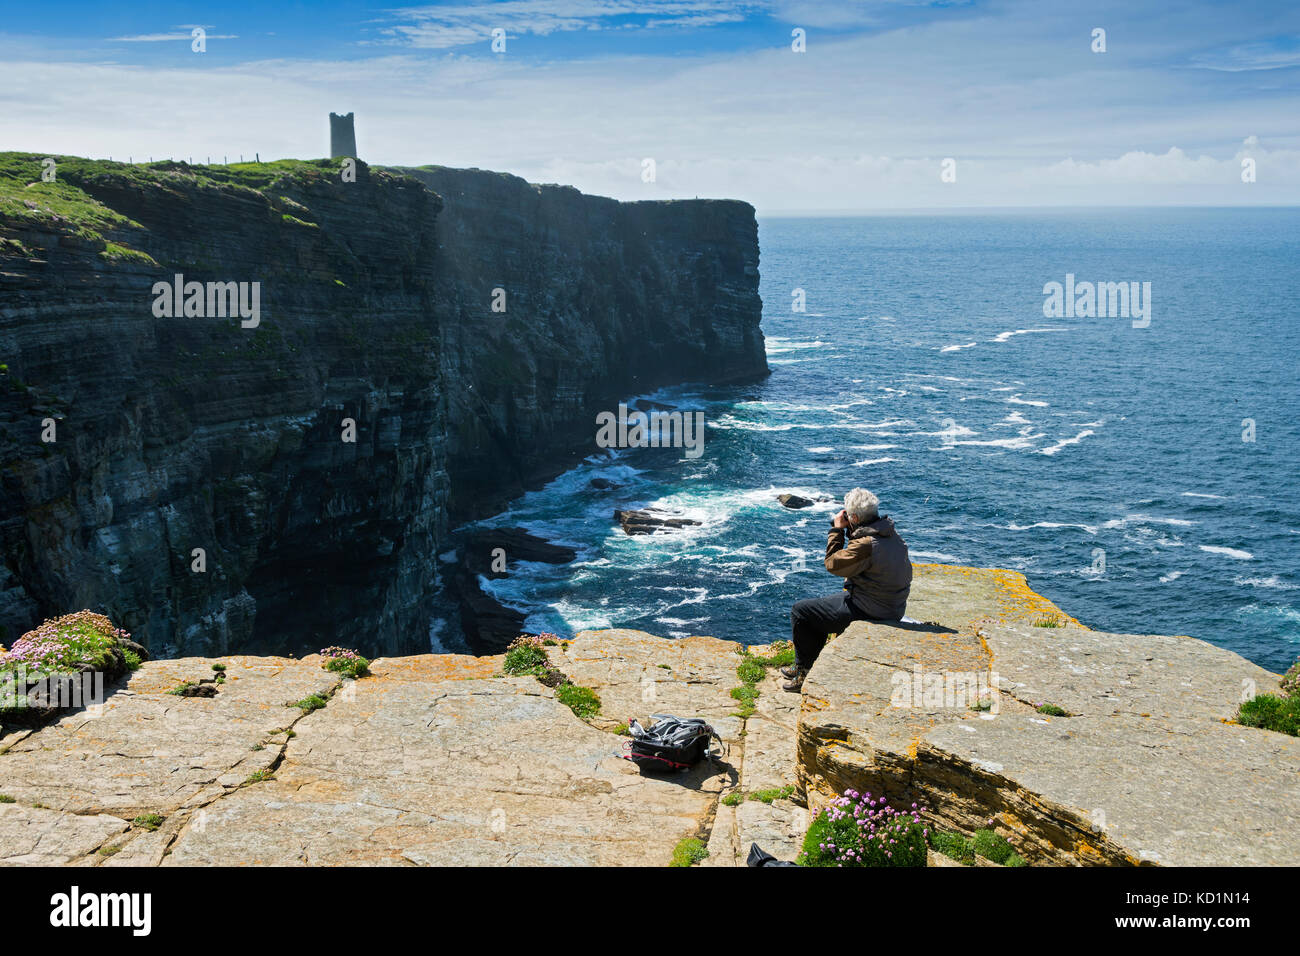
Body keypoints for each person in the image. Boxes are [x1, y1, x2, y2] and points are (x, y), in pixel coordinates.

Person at [781, 488, 912, 691]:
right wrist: (853, 528)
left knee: (802, 611)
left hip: (871, 609)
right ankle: (806, 665)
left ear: (854, 517)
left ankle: (804, 672)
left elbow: (833, 564)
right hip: (891, 605)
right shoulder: (889, 534)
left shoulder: (867, 544)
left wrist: (836, 531)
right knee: (821, 609)